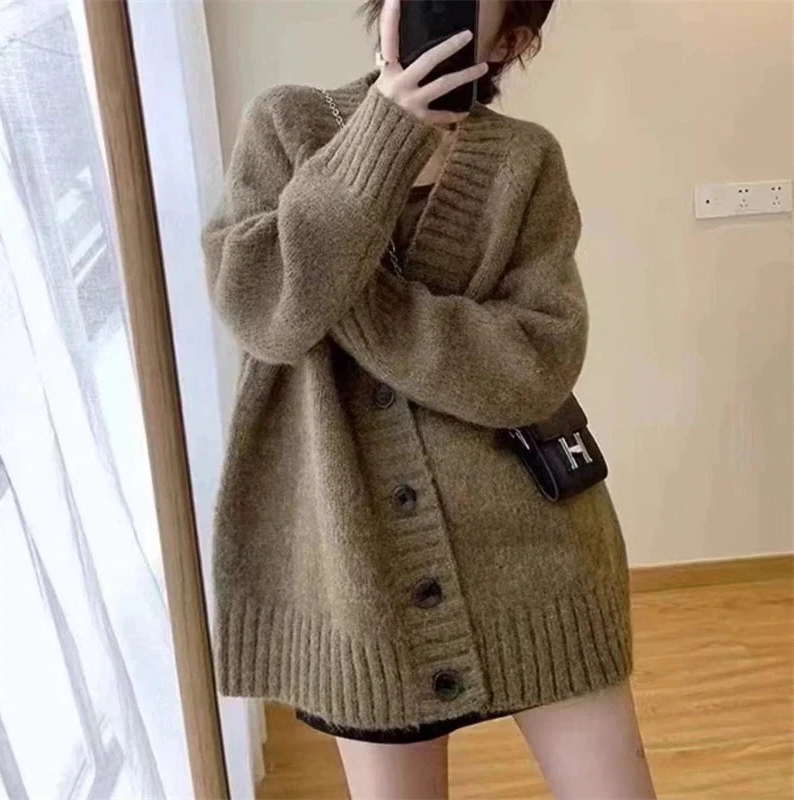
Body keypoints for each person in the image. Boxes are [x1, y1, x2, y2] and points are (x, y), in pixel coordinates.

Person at [201, 0, 658, 797]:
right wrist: (384, 131)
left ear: (510, 40)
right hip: (360, 578)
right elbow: (265, 308)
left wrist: (351, 304)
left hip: (539, 562)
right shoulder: (286, 126)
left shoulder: (526, 161)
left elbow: (535, 365)